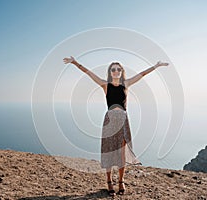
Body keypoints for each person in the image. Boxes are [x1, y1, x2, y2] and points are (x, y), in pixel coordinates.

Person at [63, 56, 168, 196]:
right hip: (110, 120)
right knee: (109, 151)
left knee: (121, 153)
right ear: (110, 72)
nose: (116, 71)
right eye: (113, 69)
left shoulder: (127, 84)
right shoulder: (105, 85)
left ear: (122, 71)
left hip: (123, 120)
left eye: (119, 69)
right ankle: (108, 181)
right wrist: (75, 62)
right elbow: (88, 73)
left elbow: (142, 74)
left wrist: (156, 66)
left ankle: (121, 181)